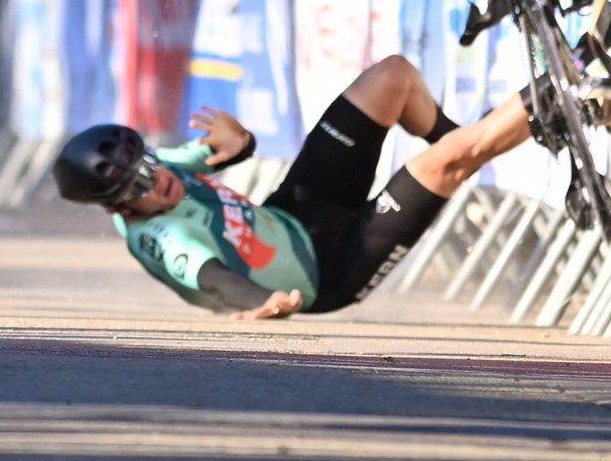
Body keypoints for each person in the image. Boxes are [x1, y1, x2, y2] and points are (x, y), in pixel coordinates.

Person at [53, 55, 550, 318]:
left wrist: (238, 138)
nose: (157, 178)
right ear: (117, 209)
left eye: (148, 161)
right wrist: (262, 304)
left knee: (391, 77)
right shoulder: (157, 239)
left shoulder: (159, 171)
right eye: (140, 183)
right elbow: (210, 278)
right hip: (330, 270)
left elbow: (228, 150)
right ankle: (560, 92)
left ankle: (479, 133)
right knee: (445, 163)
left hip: (296, 211)